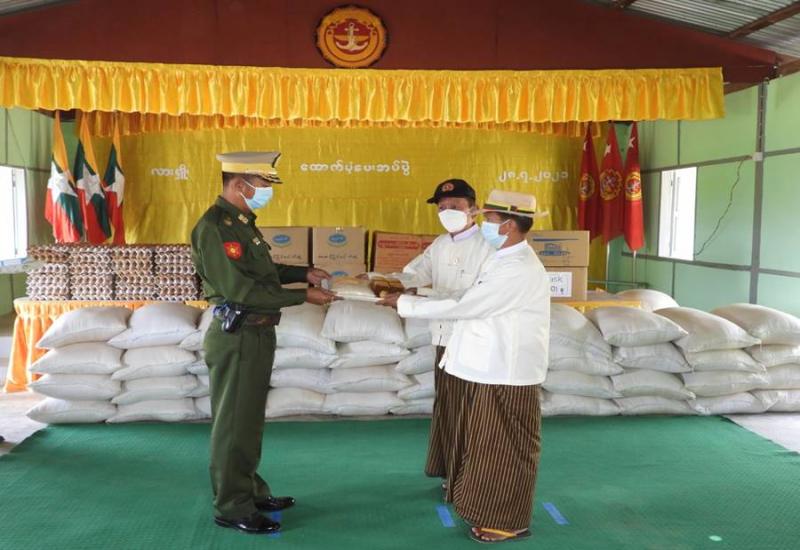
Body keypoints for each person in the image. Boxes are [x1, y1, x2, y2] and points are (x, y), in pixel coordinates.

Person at [381, 190, 550, 543]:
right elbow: (463, 297)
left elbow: (466, 305)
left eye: (489, 219)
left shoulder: (518, 267)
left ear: (508, 225)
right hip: (487, 367)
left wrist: (407, 305)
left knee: (505, 448)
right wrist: (413, 296)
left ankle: (509, 520)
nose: (483, 224)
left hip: (506, 370)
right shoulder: (502, 259)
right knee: (485, 443)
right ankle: (482, 505)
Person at [191, 151, 337, 535]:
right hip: (238, 335)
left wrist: (303, 272)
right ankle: (231, 505)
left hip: (256, 333)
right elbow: (242, 290)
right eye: (263, 184)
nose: (268, 191)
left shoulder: (243, 224)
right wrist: (303, 295)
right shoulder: (216, 227)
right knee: (233, 424)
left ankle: (250, 491)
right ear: (240, 184)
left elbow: (263, 272)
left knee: (249, 421)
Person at [394, 179, 493, 496]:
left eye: (455, 206)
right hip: (443, 339)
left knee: (469, 410)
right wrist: (382, 283)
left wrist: (416, 296)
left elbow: (472, 298)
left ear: (473, 209)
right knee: (447, 407)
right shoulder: (439, 244)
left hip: (472, 340)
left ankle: (470, 477)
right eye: (442, 207)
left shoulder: (487, 246)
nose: (448, 212)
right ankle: (450, 470)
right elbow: (413, 274)